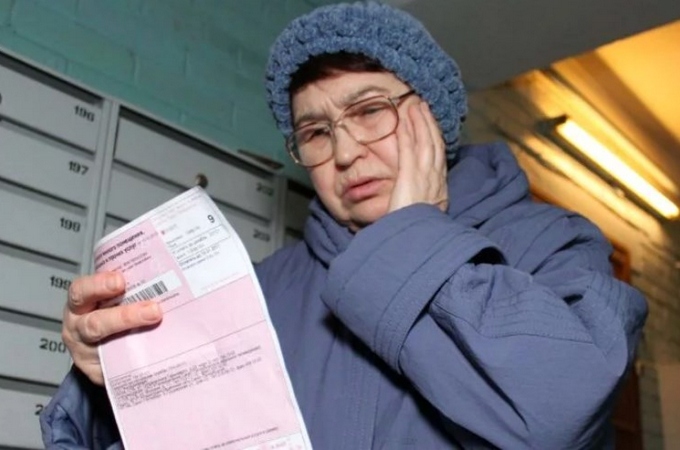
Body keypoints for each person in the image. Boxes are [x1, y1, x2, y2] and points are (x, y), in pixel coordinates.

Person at [41, 2, 647, 449]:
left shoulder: (555, 243)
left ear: (433, 118)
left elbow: (560, 414)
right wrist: (114, 386)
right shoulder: (262, 288)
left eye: (370, 111)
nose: (346, 151)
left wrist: (412, 235)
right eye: (315, 131)